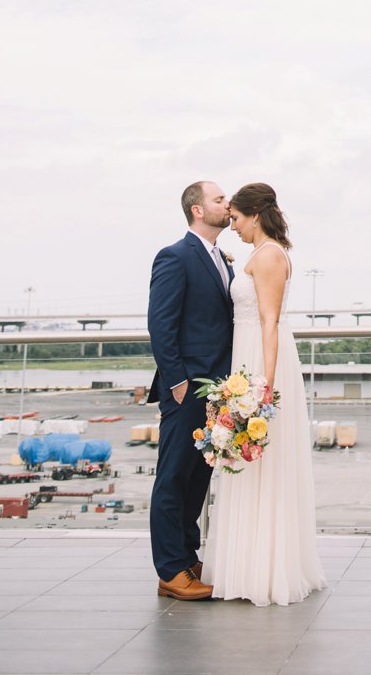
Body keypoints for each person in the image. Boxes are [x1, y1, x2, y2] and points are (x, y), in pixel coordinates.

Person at [201, 183, 326, 606]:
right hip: (247, 356)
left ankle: (263, 570)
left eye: (235, 218)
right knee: (248, 467)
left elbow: (269, 322)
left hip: (260, 360)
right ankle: (248, 562)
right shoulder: (258, 254)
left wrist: (263, 389)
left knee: (262, 466)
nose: (231, 225)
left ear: (255, 214)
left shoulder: (270, 255)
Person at [147, 180, 234, 600]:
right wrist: (178, 382)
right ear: (198, 210)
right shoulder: (175, 256)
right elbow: (160, 324)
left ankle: (186, 557)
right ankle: (169, 570)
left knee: (198, 478)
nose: (228, 204)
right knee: (172, 478)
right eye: (220, 199)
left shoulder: (223, 260)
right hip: (186, 391)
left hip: (217, 391)